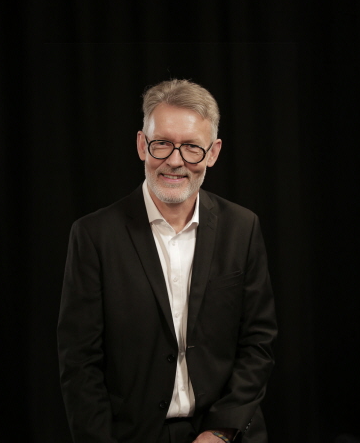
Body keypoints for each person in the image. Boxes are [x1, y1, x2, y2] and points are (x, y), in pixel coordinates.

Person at [58, 79, 277, 443]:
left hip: (226, 433)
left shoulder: (243, 227)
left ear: (213, 152)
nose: (175, 161)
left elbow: (258, 342)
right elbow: (79, 364)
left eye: (192, 147)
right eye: (162, 143)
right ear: (141, 144)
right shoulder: (93, 236)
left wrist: (221, 431)